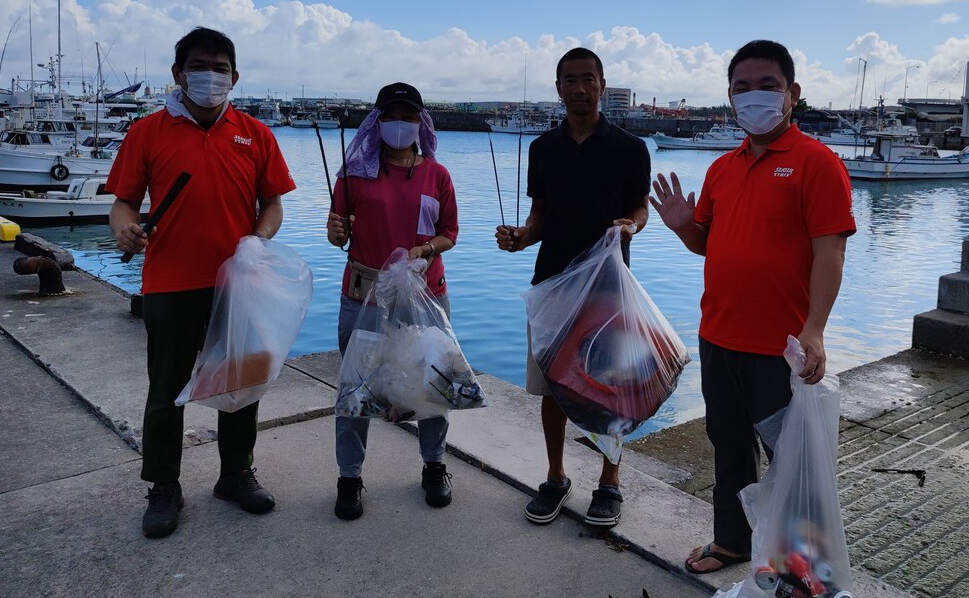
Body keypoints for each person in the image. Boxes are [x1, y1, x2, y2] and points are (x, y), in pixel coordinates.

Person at [649, 40, 856, 573]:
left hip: (782, 346)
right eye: (742, 88)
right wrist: (683, 226)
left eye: (768, 85)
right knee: (728, 445)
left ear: (793, 94)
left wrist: (815, 330)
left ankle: (801, 565)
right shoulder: (722, 168)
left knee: (794, 460)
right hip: (719, 335)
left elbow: (830, 251)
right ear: (730, 98)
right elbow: (708, 243)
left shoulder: (818, 163)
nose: (754, 97)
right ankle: (732, 542)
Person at [108, 27, 295, 539]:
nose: (210, 76)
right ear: (178, 74)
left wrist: (258, 238)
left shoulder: (256, 134)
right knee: (166, 390)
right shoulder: (147, 131)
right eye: (198, 66)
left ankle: (235, 473)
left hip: (239, 283)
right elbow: (123, 202)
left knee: (241, 383)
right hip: (169, 283)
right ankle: (163, 484)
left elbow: (273, 205)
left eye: (220, 68)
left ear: (234, 77)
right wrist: (124, 229)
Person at [494, 47, 651, 529]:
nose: (580, 88)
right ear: (558, 88)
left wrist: (632, 226)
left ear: (602, 84)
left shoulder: (630, 147)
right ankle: (555, 477)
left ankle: (609, 482)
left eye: (588, 79)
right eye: (570, 80)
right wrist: (522, 237)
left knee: (610, 388)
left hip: (608, 288)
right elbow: (540, 216)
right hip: (552, 284)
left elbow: (641, 208)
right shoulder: (543, 149)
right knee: (553, 388)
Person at [326, 82, 459, 520]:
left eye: (408, 117)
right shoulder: (353, 174)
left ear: (422, 123)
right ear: (376, 122)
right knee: (355, 389)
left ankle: (434, 466)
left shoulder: (437, 175)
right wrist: (335, 232)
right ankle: (349, 477)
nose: (400, 125)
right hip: (363, 296)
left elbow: (450, 233)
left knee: (433, 384)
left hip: (426, 297)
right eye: (391, 116)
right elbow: (337, 232)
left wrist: (427, 249)